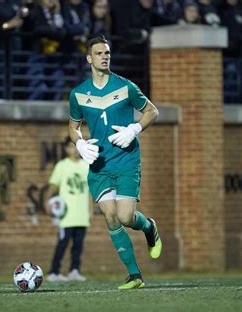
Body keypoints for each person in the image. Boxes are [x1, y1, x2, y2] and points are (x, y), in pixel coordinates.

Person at [68, 36, 162, 290]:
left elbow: (152, 111)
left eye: (107, 52)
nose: (104, 56)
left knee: (126, 217)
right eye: (99, 53)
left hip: (126, 160)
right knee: (111, 218)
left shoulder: (126, 87)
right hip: (99, 164)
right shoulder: (78, 94)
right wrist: (79, 143)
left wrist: (134, 129)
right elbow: (73, 125)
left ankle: (148, 226)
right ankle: (135, 275)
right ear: (89, 58)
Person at [44, 136, 92, 282]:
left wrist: (90, 210)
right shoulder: (62, 166)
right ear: (66, 149)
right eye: (71, 147)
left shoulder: (86, 166)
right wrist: (47, 202)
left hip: (82, 214)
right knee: (62, 243)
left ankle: (74, 270)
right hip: (66, 215)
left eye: (77, 147)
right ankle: (54, 271)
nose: (74, 150)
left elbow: (89, 191)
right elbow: (53, 186)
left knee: (78, 245)